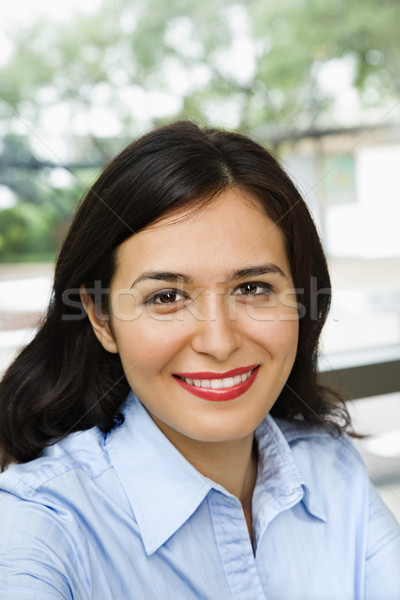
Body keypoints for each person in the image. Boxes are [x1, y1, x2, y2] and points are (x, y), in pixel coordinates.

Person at [0, 121, 399, 600]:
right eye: (167, 296)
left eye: (253, 288)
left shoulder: (329, 465)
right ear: (102, 320)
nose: (219, 340)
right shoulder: (40, 524)